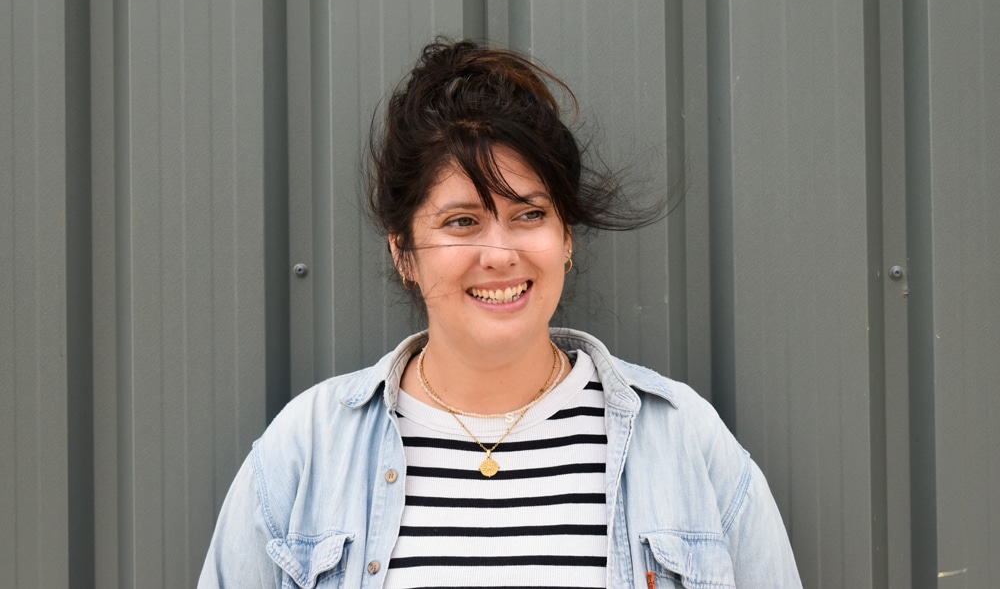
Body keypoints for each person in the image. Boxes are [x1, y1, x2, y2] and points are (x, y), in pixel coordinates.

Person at [199, 40, 801, 588]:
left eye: (530, 214)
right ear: (402, 250)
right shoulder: (307, 450)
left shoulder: (682, 441)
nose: (500, 254)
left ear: (567, 238)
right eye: (462, 222)